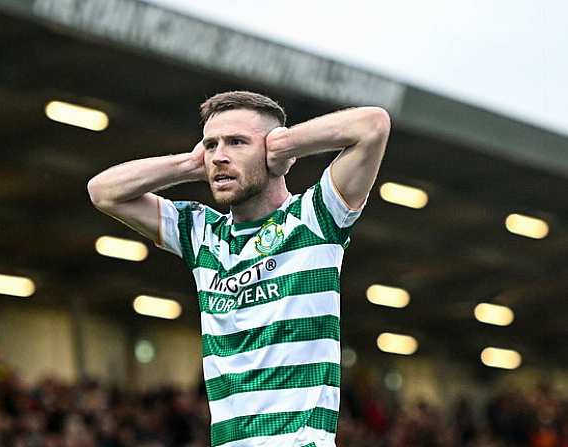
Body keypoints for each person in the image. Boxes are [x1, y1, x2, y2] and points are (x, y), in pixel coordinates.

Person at [87, 91, 390, 447]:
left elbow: (373, 125)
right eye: (211, 145)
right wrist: (189, 164)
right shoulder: (200, 233)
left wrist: (287, 144)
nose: (219, 157)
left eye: (237, 142)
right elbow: (102, 191)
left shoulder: (316, 218)